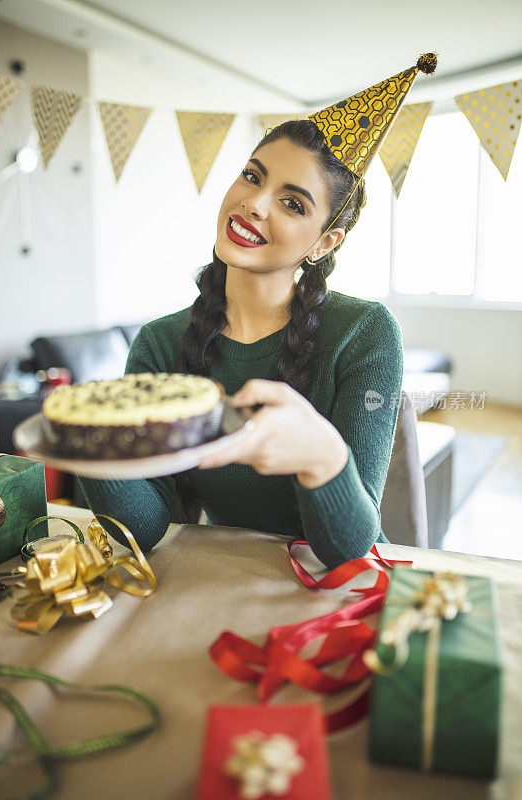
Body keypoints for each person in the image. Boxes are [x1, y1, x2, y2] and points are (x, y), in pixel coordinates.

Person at [78, 118, 404, 569]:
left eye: (292, 203)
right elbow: (145, 529)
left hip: (339, 589)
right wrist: (93, 448)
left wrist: (322, 455)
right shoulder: (159, 343)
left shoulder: (364, 333)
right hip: (226, 574)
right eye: (252, 176)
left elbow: (345, 550)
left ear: (323, 243)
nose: (253, 203)